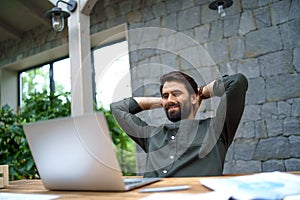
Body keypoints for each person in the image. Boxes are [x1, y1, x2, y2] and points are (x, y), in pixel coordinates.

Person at [110, 71, 248, 177]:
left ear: (193, 98)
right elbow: (117, 108)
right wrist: (165, 102)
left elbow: (237, 82)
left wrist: (202, 92)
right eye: (165, 95)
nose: (169, 99)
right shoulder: (151, 135)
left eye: (176, 93)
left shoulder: (216, 130)